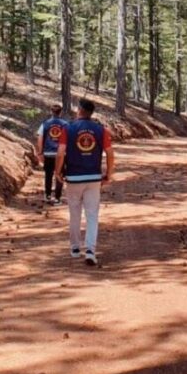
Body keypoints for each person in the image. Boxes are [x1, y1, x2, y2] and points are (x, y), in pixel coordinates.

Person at [55, 98, 115, 266]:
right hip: (94, 178)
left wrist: (57, 172)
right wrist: (109, 174)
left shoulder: (68, 128)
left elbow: (60, 153)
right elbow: (110, 153)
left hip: (73, 177)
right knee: (92, 215)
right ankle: (90, 250)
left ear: (80, 110)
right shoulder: (101, 130)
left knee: (74, 214)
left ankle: (75, 248)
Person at [36, 104, 67, 205]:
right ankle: (58, 198)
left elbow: (40, 138)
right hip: (61, 154)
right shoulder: (65, 124)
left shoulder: (45, 124)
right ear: (60, 112)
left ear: (51, 111)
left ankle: (48, 195)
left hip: (48, 153)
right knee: (59, 175)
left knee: (48, 174)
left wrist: (40, 152)